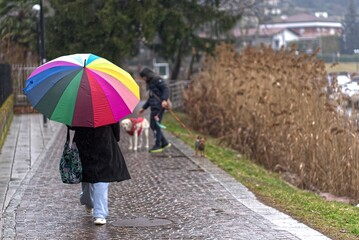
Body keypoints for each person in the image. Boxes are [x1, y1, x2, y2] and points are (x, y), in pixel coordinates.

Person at [68, 122, 130, 225]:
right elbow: (115, 124)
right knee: (88, 177)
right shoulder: (107, 106)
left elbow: (71, 125)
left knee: (100, 178)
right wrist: (115, 137)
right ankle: (89, 202)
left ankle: (100, 214)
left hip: (90, 142)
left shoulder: (78, 106)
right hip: (98, 141)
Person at [137, 67, 171, 153]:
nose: (143, 79)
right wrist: (144, 107)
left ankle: (158, 144)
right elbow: (151, 97)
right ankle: (164, 142)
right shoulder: (150, 83)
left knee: (155, 125)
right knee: (154, 125)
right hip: (154, 106)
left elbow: (166, 89)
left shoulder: (157, 80)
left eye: (143, 76)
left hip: (159, 107)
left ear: (147, 75)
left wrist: (164, 100)